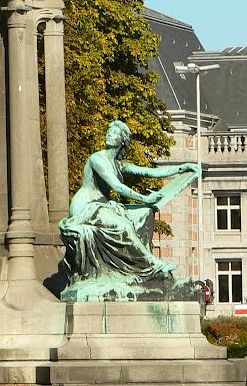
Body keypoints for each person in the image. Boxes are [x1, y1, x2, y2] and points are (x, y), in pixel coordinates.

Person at [59, 120, 198, 296]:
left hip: (102, 206)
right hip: (86, 207)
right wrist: (145, 197)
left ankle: (143, 274)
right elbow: (117, 187)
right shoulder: (97, 159)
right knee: (123, 226)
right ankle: (152, 264)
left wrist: (183, 167)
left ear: (123, 140)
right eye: (109, 131)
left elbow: (151, 172)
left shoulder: (118, 164)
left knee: (145, 213)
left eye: (115, 133)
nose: (110, 134)